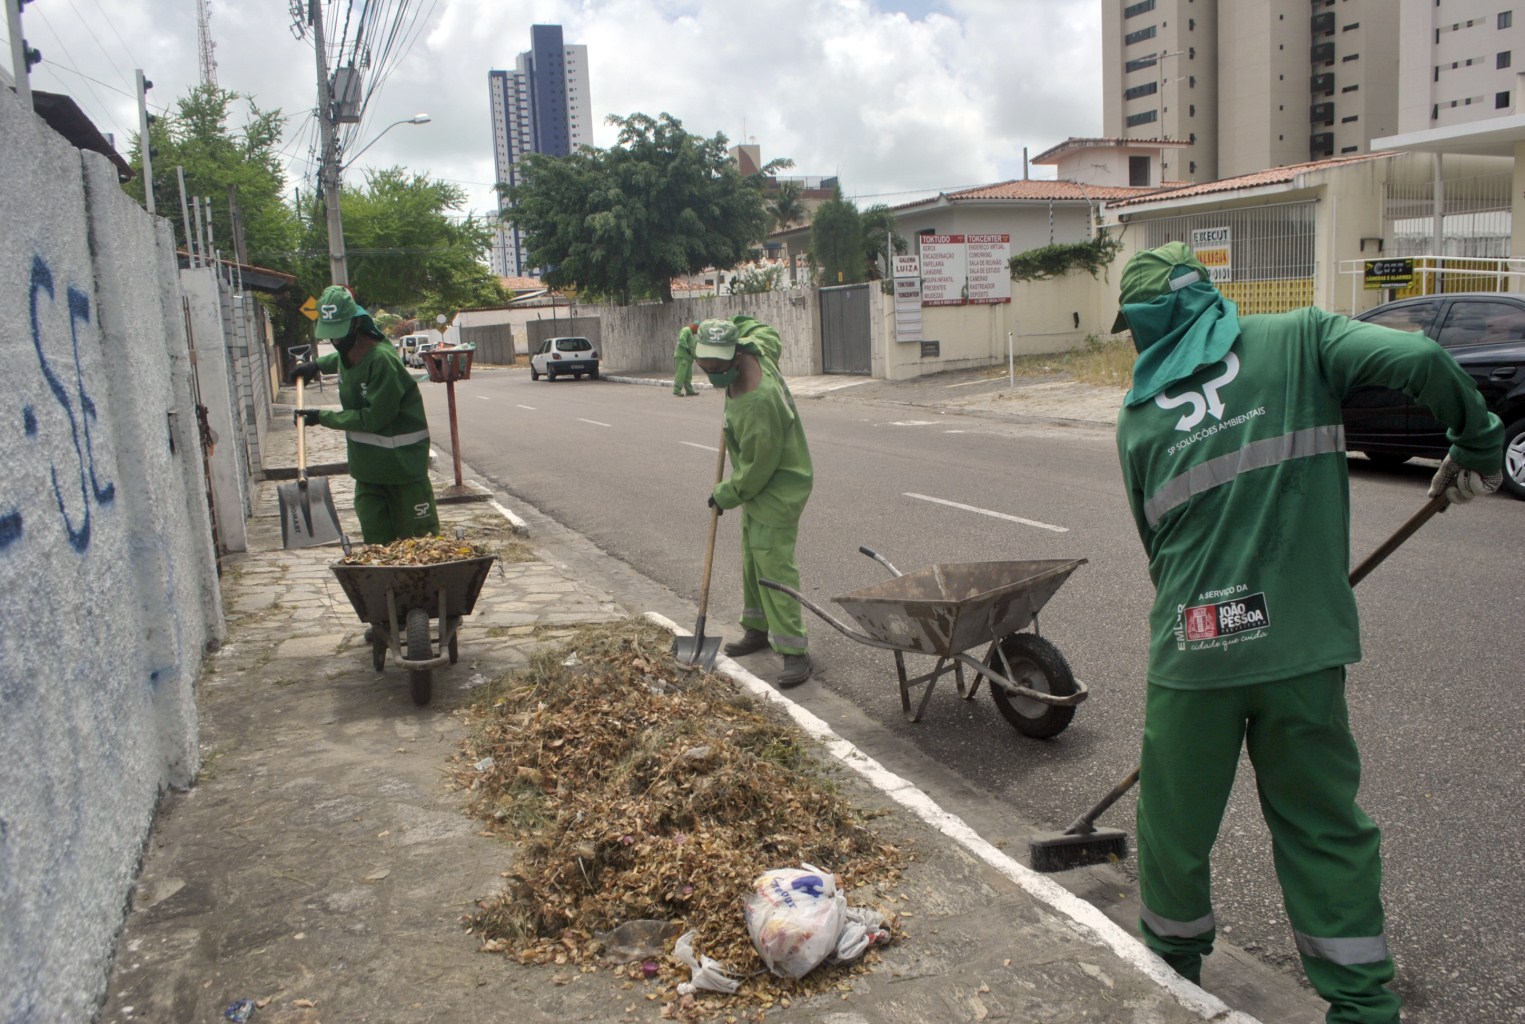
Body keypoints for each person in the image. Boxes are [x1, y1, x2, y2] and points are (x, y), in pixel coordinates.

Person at [1112, 242, 1502, 1024]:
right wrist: (1476, 441)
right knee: (1321, 825)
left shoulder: (1137, 418)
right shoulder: (1300, 338)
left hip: (1194, 647)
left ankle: (1169, 973)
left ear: (1146, 326)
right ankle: (1359, 1005)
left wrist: (1217, 615)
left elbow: (1159, 550)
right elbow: (1420, 355)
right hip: (1300, 647)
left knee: (1174, 829)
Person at [693, 316, 815, 687]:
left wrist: (725, 493)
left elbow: (759, 468)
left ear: (734, 358)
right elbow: (767, 329)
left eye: (716, 368)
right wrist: (728, 326)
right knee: (751, 558)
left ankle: (795, 652)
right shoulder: (754, 345)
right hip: (759, 489)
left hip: (776, 488)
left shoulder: (758, 404)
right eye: (705, 367)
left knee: (774, 568)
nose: (712, 375)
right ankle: (758, 629)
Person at [291, 284, 440, 545]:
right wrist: (314, 366)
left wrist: (321, 417)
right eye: (331, 336)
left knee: (418, 545)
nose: (336, 342)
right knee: (377, 544)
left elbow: (373, 419)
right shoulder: (347, 352)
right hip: (368, 472)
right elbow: (340, 360)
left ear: (357, 324)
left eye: (339, 334)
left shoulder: (383, 361)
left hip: (403, 471)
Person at [672, 322, 700, 396]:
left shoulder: (692, 336)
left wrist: (696, 357)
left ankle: (689, 390)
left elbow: (693, 348)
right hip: (683, 357)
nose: (697, 331)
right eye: (698, 328)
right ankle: (677, 390)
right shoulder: (686, 330)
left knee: (688, 376)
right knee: (681, 374)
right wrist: (687, 348)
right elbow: (682, 339)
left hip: (689, 359)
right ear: (694, 326)